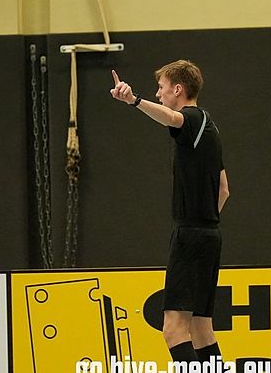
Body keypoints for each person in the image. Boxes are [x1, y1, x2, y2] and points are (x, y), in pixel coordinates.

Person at [110, 60, 230, 366]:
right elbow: (224, 189)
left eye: (161, 87)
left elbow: (172, 118)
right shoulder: (211, 129)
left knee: (173, 330)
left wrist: (134, 100)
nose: (158, 93)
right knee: (201, 329)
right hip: (210, 235)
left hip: (190, 235)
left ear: (178, 89)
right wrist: (205, 220)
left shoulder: (192, 119)